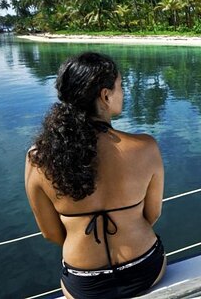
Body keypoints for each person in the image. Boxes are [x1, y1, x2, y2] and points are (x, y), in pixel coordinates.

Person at [25, 52, 165, 299]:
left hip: (84, 284)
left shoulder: (38, 158)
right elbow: (152, 215)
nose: (123, 92)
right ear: (105, 95)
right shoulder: (145, 147)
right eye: (121, 86)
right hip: (144, 269)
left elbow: (50, 233)